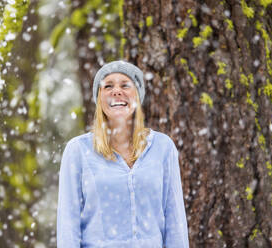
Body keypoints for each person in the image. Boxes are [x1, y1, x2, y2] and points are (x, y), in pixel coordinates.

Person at [57, 60, 189, 248]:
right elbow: (68, 227)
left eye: (125, 85)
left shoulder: (163, 147)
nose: (116, 91)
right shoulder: (78, 150)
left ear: (138, 95)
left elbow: (175, 221)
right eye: (108, 86)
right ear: (99, 97)